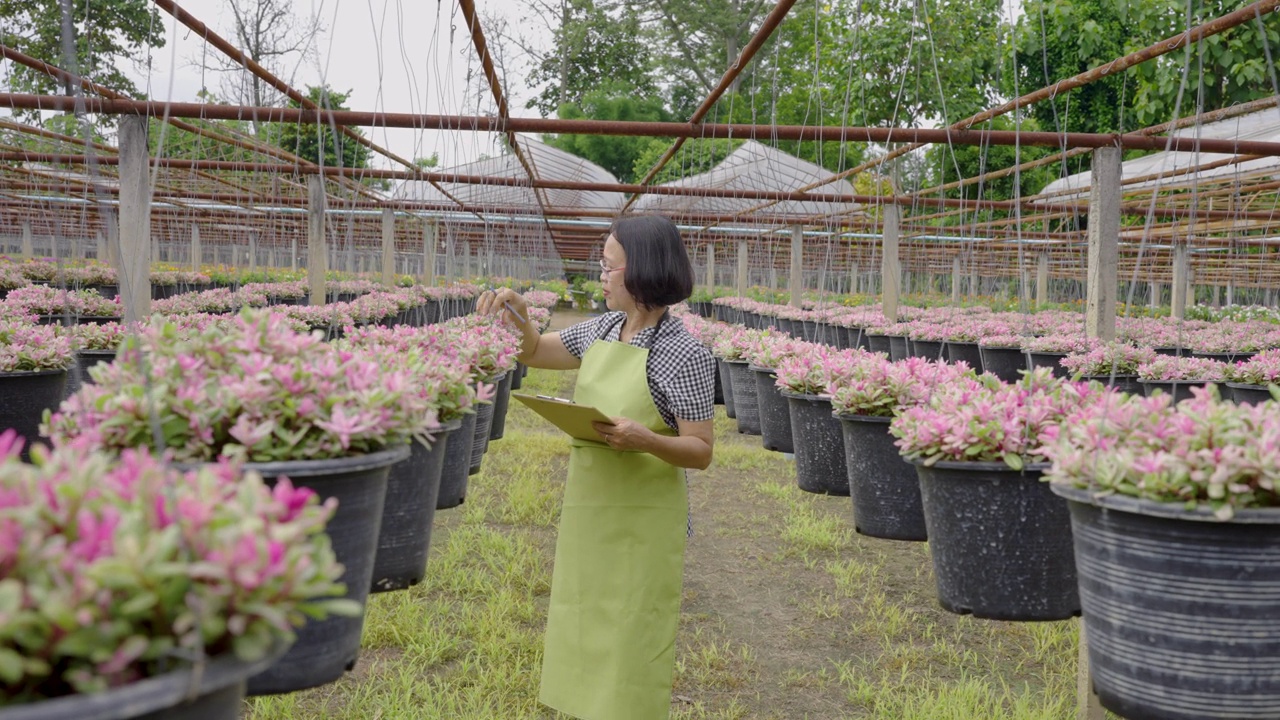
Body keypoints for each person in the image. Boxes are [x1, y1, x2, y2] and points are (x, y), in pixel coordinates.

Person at [477, 214, 716, 720]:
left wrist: (646, 439)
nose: (600, 277)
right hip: (591, 505)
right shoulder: (604, 328)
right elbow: (538, 352)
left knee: (632, 630)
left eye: (608, 267)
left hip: (643, 517)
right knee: (582, 616)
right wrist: (517, 315)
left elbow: (700, 449)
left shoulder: (686, 354)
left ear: (640, 271)